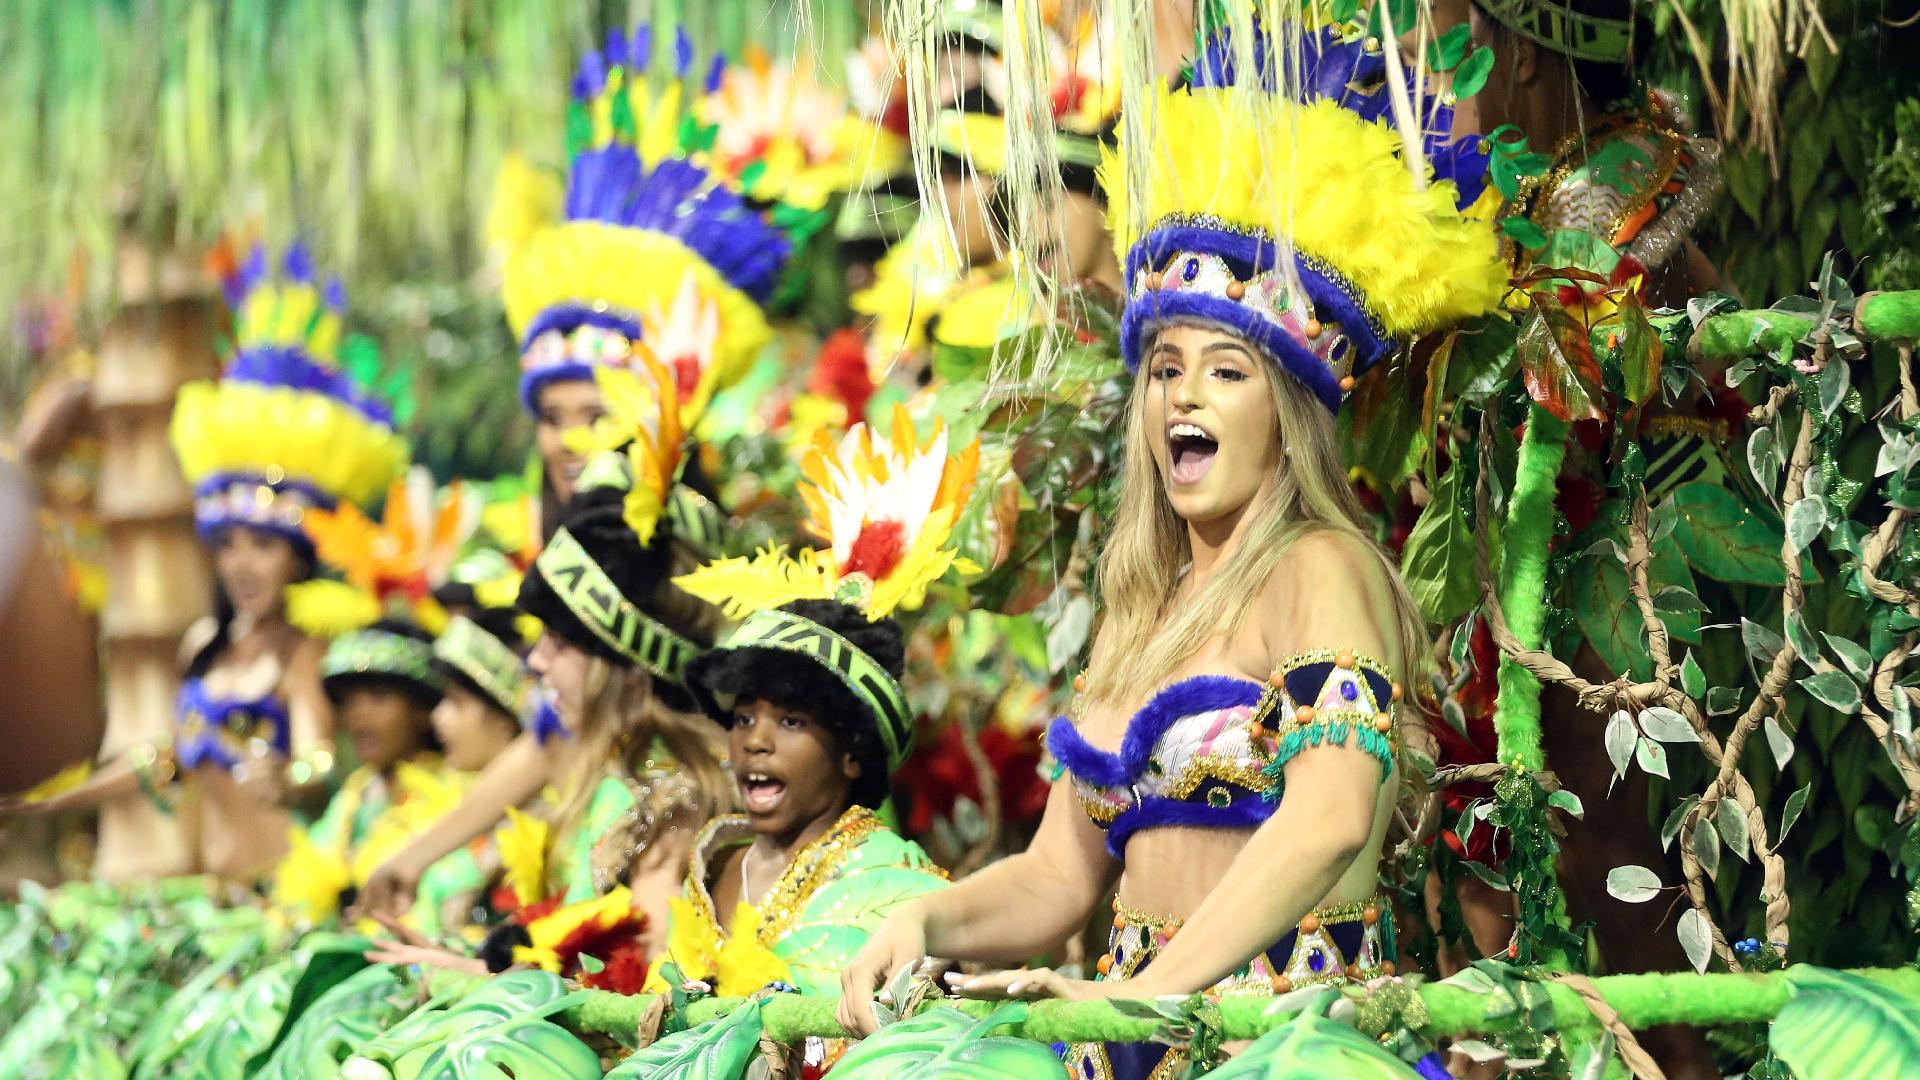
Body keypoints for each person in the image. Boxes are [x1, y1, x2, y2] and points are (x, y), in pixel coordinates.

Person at [838, 22, 1506, 1077]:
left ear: (1287, 412)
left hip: (1289, 1044)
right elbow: (1058, 878)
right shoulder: (1142, 608)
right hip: (1134, 1043)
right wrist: (925, 925)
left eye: (1227, 371)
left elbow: (1330, 820)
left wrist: (1150, 994)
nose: (1184, 393)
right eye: (1165, 368)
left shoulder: (1319, 567)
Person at [361, 25, 802, 916]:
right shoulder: (566, 528)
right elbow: (552, 734)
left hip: (686, 830)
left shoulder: (688, 539)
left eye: (591, 418)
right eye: (551, 419)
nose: (566, 442)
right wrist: (416, 854)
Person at [4, 245, 406, 880]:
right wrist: (50, 803)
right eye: (229, 546)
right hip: (213, 893)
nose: (242, 565)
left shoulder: (302, 656)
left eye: (265, 546)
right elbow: (166, 763)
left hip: (287, 897)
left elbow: (322, 761)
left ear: (300, 561)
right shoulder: (202, 647)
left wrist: (292, 776)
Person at [656, 406, 977, 999]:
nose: (756, 739)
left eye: (791, 720)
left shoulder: (899, 888)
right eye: (745, 717)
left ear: (852, 753)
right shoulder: (713, 864)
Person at [272, 619, 454, 924]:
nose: (358, 715)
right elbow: (307, 880)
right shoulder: (354, 796)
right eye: (349, 702)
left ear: (423, 710)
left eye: (379, 696)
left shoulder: (451, 793)